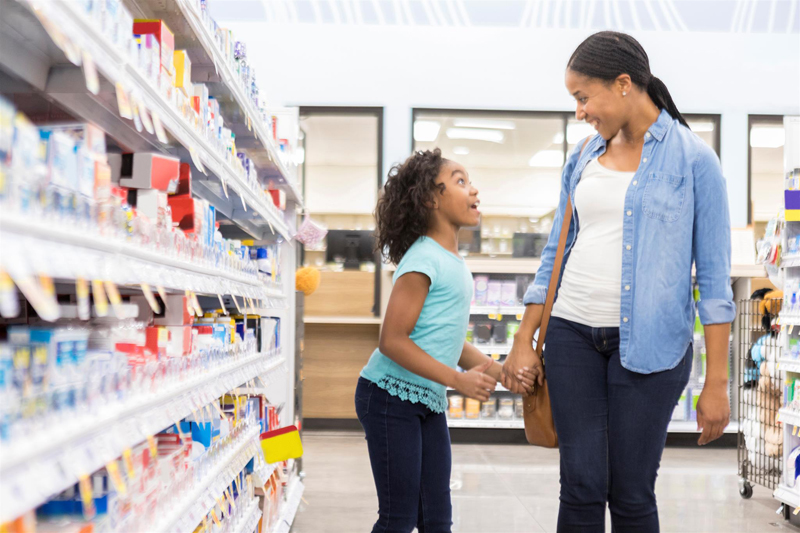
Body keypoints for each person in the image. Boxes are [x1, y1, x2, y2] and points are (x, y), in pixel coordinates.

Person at [503, 31, 734, 533]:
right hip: (571, 335)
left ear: (624, 84)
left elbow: (715, 285)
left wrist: (717, 383)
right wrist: (524, 338)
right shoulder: (583, 158)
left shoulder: (696, 161)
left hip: (652, 347)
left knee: (630, 491)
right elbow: (555, 252)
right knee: (581, 486)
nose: (581, 112)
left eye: (584, 97)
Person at [355, 148, 535, 532]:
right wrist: (457, 380)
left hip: (426, 400)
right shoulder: (424, 258)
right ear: (429, 198)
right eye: (460, 181)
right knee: (398, 519)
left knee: (437, 519)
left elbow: (446, 339)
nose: (474, 191)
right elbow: (393, 340)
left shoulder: (454, 262)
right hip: (388, 396)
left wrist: (498, 371)